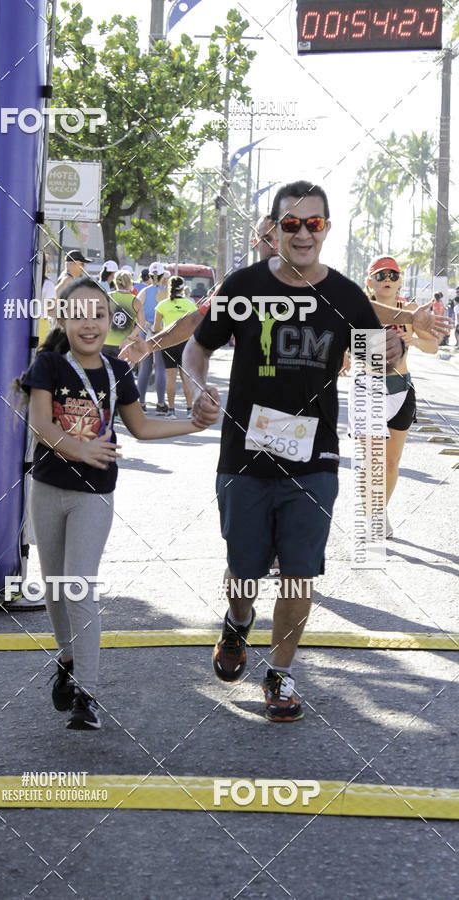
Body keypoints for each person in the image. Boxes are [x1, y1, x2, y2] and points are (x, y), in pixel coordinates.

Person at [183, 179, 406, 722]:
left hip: (315, 461)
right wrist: (195, 391)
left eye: (313, 223)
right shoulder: (244, 285)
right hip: (244, 458)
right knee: (244, 572)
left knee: (300, 573)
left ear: (326, 229)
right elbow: (196, 347)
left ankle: (279, 675)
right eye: (291, 224)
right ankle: (238, 624)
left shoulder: (350, 296)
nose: (302, 233)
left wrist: (393, 352)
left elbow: (378, 369)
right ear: (274, 230)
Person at [15, 276, 209, 730]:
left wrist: (192, 426)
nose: (90, 324)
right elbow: (41, 424)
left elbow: (141, 428)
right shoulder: (49, 365)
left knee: (79, 585)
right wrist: (78, 448)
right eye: (79, 315)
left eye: (99, 315)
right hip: (47, 489)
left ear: (111, 320)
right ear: (62, 319)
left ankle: (87, 694)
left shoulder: (118, 371)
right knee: (55, 587)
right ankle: (66, 656)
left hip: (94, 495)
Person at [119, 216, 280, 367]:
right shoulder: (237, 287)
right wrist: (148, 345)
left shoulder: (305, 287)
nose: (274, 246)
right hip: (248, 391)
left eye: (280, 238)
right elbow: (194, 322)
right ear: (256, 242)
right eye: (266, 239)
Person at [365, 257, 438, 538]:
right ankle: (371, 515)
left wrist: (415, 340)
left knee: (391, 462)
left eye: (394, 275)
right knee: (371, 460)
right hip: (368, 390)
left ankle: (379, 510)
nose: (388, 279)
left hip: (401, 389)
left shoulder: (410, 311)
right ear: (370, 280)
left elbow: (433, 347)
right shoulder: (360, 309)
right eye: (381, 274)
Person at [154, 275, 198, 417]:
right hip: (185, 344)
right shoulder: (190, 304)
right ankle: (190, 410)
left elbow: (156, 328)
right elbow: (196, 326)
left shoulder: (162, 305)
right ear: (183, 288)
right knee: (186, 378)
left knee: (170, 378)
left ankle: (171, 411)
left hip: (168, 343)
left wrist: (166, 335)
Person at [136, 263, 169, 413]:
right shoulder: (167, 293)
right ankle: (161, 404)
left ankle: (141, 403)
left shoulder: (143, 292)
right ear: (163, 276)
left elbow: (134, 311)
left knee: (145, 367)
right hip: (162, 332)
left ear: (149, 276)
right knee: (161, 367)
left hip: (144, 331)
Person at [103, 269, 146, 358]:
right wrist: (129, 338)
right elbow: (141, 323)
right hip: (125, 344)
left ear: (116, 282)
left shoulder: (107, 297)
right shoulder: (136, 301)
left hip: (104, 341)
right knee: (121, 371)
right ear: (130, 283)